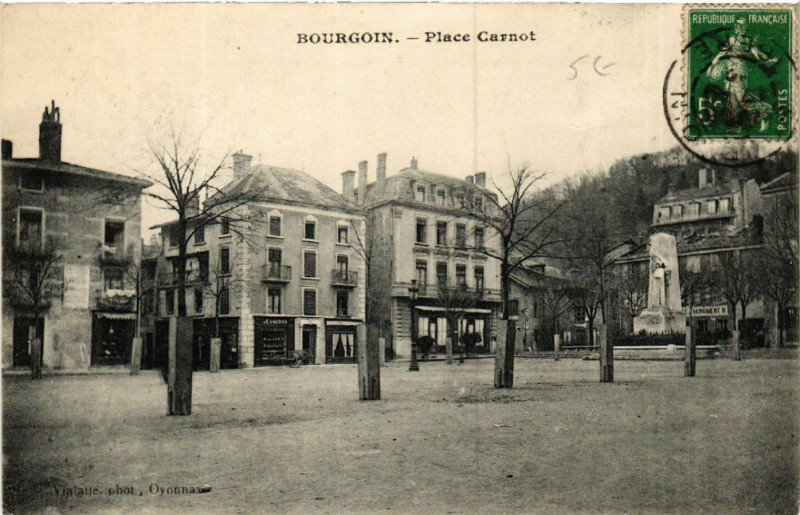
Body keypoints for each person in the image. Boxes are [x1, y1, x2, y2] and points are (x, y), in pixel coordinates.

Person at [707, 18, 779, 132]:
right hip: (731, 70)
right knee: (733, 98)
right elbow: (722, 53)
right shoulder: (732, 39)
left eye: (741, 26)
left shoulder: (749, 41)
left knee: (741, 100)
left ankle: (765, 111)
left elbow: (757, 53)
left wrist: (768, 59)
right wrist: (711, 65)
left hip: (740, 71)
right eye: (737, 26)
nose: (738, 28)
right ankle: (736, 125)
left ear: (745, 27)